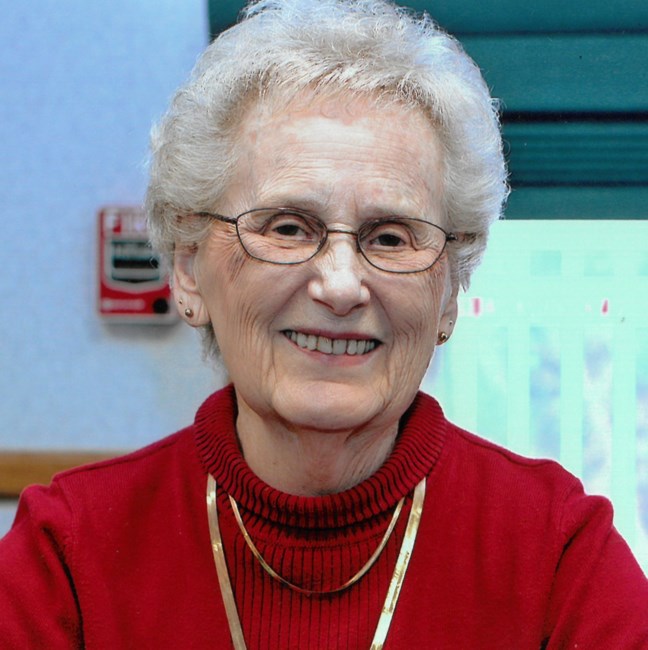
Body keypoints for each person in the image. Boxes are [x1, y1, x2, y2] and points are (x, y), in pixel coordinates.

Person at [1, 0, 646, 647]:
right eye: (287, 228)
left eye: (390, 237)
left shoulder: (559, 555)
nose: (340, 285)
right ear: (190, 268)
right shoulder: (66, 557)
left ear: (450, 290)